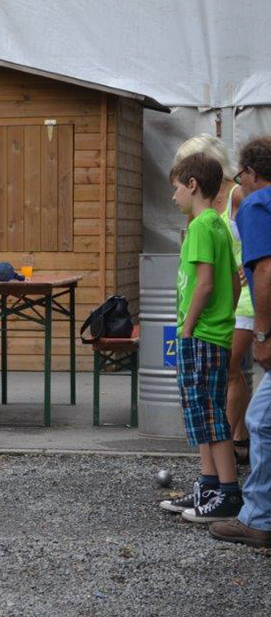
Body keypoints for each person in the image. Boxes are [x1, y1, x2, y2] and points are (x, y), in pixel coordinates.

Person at [157, 152, 241, 522]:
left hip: (202, 336)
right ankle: (209, 486)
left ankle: (228, 494)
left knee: (209, 416)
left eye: (176, 188)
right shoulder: (218, 224)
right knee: (202, 416)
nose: (173, 197)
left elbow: (205, 284)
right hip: (215, 334)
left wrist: (188, 327)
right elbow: (234, 282)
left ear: (192, 186)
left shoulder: (202, 226)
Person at [172, 136, 251, 466]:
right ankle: (235, 441)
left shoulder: (238, 195)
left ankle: (228, 448)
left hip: (246, 293)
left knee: (226, 370)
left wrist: (251, 266)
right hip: (226, 296)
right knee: (229, 371)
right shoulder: (202, 213)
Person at [211, 136, 271, 548]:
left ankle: (259, 518)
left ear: (249, 173)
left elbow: (264, 271)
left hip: (266, 322)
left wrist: (264, 334)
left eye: (240, 176)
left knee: (261, 421)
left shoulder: (256, 205)